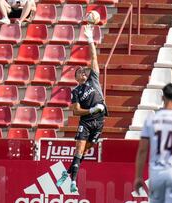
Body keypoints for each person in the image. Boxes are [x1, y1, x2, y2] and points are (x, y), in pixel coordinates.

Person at [56, 24, 108, 193]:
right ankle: (73, 182)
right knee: (79, 150)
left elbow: (93, 58)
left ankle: (67, 171)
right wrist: (92, 110)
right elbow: (76, 111)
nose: (83, 73)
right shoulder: (76, 91)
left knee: (86, 150)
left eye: (84, 72)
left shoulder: (93, 79)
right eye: (80, 72)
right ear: (76, 77)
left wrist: (90, 39)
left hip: (99, 122)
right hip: (86, 122)